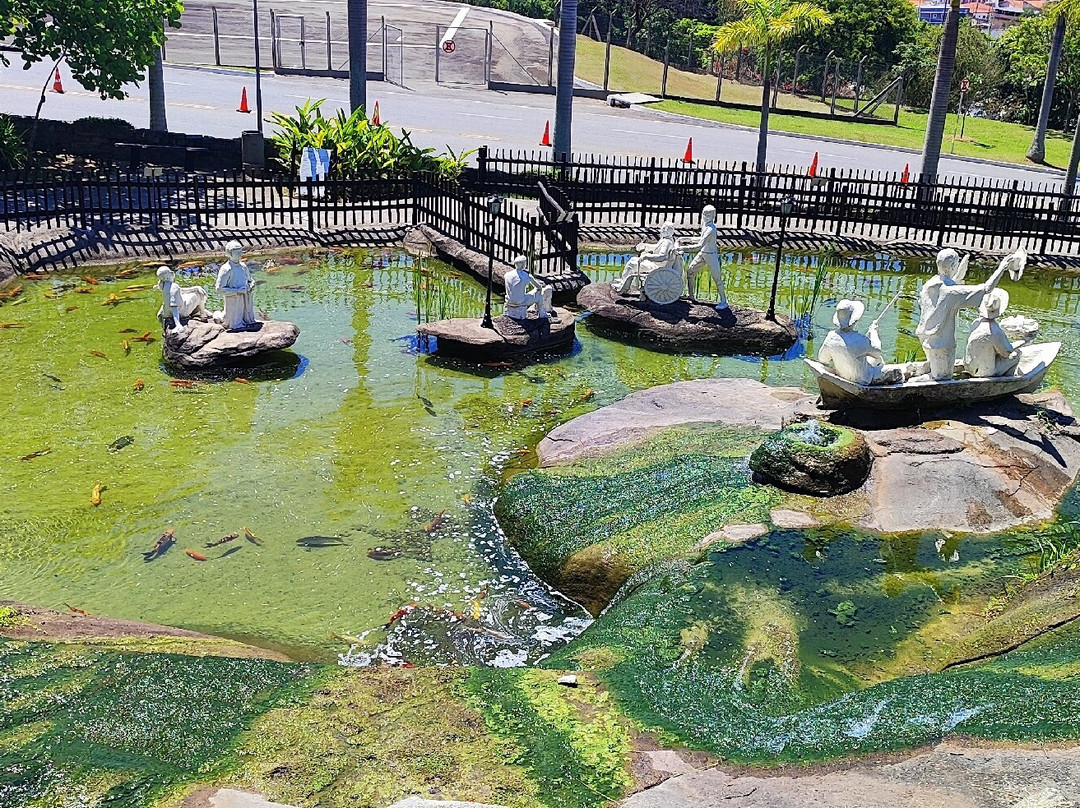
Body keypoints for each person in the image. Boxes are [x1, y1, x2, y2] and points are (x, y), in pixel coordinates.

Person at [915, 248, 1024, 380]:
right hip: (942, 343)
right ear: (953, 266)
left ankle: (920, 374)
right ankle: (915, 383)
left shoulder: (931, 284)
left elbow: (946, 290)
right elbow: (986, 289)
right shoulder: (950, 292)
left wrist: (957, 278)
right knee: (943, 378)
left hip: (926, 337)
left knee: (936, 371)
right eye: (956, 264)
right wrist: (1002, 268)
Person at [818, 299, 902, 385]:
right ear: (855, 320)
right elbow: (877, 352)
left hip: (842, 375)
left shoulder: (831, 337)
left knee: (875, 360)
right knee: (898, 372)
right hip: (863, 380)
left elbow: (822, 359)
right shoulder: (860, 339)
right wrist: (874, 331)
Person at [965, 289, 1022, 378]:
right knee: (1016, 355)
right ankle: (1007, 379)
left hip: (969, 367)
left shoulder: (976, 323)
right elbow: (1006, 353)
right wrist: (1023, 340)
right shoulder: (996, 331)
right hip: (985, 372)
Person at [681, 205, 728, 310]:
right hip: (703, 253)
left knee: (717, 279)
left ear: (713, 216)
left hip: (710, 255)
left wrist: (682, 248)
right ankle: (691, 295)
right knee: (690, 271)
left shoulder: (711, 229)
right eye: (704, 213)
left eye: (708, 214)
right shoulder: (705, 225)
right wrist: (686, 238)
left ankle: (724, 301)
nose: (705, 216)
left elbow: (699, 245)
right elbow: (701, 239)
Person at [612, 221, 678, 295]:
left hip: (657, 266)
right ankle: (623, 281)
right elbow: (655, 247)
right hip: (657, 264)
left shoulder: (667, 242)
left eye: (662, 228)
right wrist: (645, 246)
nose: (660, 230)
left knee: (632, 264)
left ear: (666, 231)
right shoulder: (666, 239)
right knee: (633, 259)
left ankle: (623, 287)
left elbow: (662, 256)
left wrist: (647, 257)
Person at [215, 241, 257, 331]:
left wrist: (251, 285)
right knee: (232, 322)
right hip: (233, 299)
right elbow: (219, 289)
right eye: (237, 252)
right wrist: (237, 291)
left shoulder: (243, 267)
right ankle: (218, 315)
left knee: (246, 318)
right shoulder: (226, 269)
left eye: (241, 252)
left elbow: (250, 280)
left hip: (245, 297)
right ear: (230, 254)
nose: (240, 254)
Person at [156, 266, 209, 335]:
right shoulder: (174, 287)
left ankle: (202, 312)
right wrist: (178, 324)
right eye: (170, 272)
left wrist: (195, 288)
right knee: (199, 293)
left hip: (167, 313)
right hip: (182, 312)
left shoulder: (163, 285)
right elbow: (174, 307)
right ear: (169, 275)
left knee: (191, 293)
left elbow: (181, 291)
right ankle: (203, 314)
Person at [504, 255, 557, 320]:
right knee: (539, 294)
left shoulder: (507, 275)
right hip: (520, 302)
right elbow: (539, 287)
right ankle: (541, 313)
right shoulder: (526, 276)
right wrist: (536, 289)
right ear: (523, 264)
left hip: (509, 301)